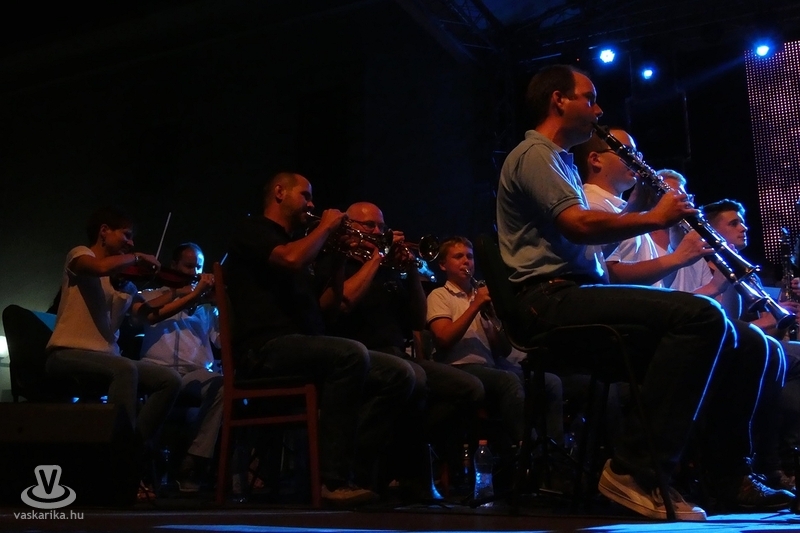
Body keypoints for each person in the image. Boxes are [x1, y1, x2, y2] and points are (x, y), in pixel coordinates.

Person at [495, 64, 788, 520]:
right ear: (558, 100)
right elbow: (579, 224)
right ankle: (635, 471)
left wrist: (647, 210)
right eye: (589, 98)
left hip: (576, 294)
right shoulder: (536, 154)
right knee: (701, 317)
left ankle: (728, 475)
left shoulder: (561, 162)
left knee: (745, 341)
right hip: (547, 302)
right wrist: (656, 218)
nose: (598, 109)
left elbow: (597, 258)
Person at [224, 172, 415, 503]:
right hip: (266, 350)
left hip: (303, 346)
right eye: (306, 195)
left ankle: (354, 470)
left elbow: (328, 308)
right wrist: (326, 227)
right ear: (280, 192)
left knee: (399, 374)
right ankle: (331, 479)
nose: (312, 204)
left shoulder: (302, 244)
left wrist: (339, 257)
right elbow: (290, 258)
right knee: (352, 354)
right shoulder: (253, 230)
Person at [320, 202, 484, 493]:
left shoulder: (388, 270)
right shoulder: (338, 262)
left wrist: (410, 273)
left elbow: (418, 321)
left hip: (397, 356)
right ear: (349, 227)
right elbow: (344, 303)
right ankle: (366, 469)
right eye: (369, 225)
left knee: (470, 388)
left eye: (381, 226)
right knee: (412, 378)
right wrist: (378, 257)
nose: (377, 231)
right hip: (358, 356)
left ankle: (399, 462)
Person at [45, 206, 183, 496]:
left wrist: (186, 294)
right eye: (127, 235)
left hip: (107, 358)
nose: (131, 243)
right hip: (67, 354)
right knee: (126, 368)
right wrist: (137, 257)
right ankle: (120, 465)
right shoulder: (81, 255)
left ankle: (129, 452)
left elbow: (148, 315)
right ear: (104, 232)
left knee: (169, 380)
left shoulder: (125, 284)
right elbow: (98, 268)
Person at [700, 199, 799, 491]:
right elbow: (724, 327)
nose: (744, 227)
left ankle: (781, 461)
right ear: (713, 231)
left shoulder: (743, 272)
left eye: (742, 221)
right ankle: (775, 464)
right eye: (734, 223)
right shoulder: (707, 268)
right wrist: (768, 321)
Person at [426, 236, 530, 449]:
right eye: (458, 256)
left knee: (549, 383)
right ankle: (527, 449)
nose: (466, 261)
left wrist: (493, 321)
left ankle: (551, 454)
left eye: (470, 257)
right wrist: (474, 306)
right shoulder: (439, 295)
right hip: (458, 367)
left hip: (489, 367)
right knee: (508, 380)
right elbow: (444, 339)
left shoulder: (481, 296)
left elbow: (503, 351)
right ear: (443, 265)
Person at [139, 242, 222, 493]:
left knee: (221, 385)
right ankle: (144, 467)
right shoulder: (151, 295)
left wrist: (222, 303)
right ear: (174, 265)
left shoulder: (206, 307)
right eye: (188, 266)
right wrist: (185, 296)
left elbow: (222, 341)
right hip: (157, 371)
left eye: (198, 267)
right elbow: (144, 317)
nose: (195, 272)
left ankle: (193, 462)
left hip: (194, 375)